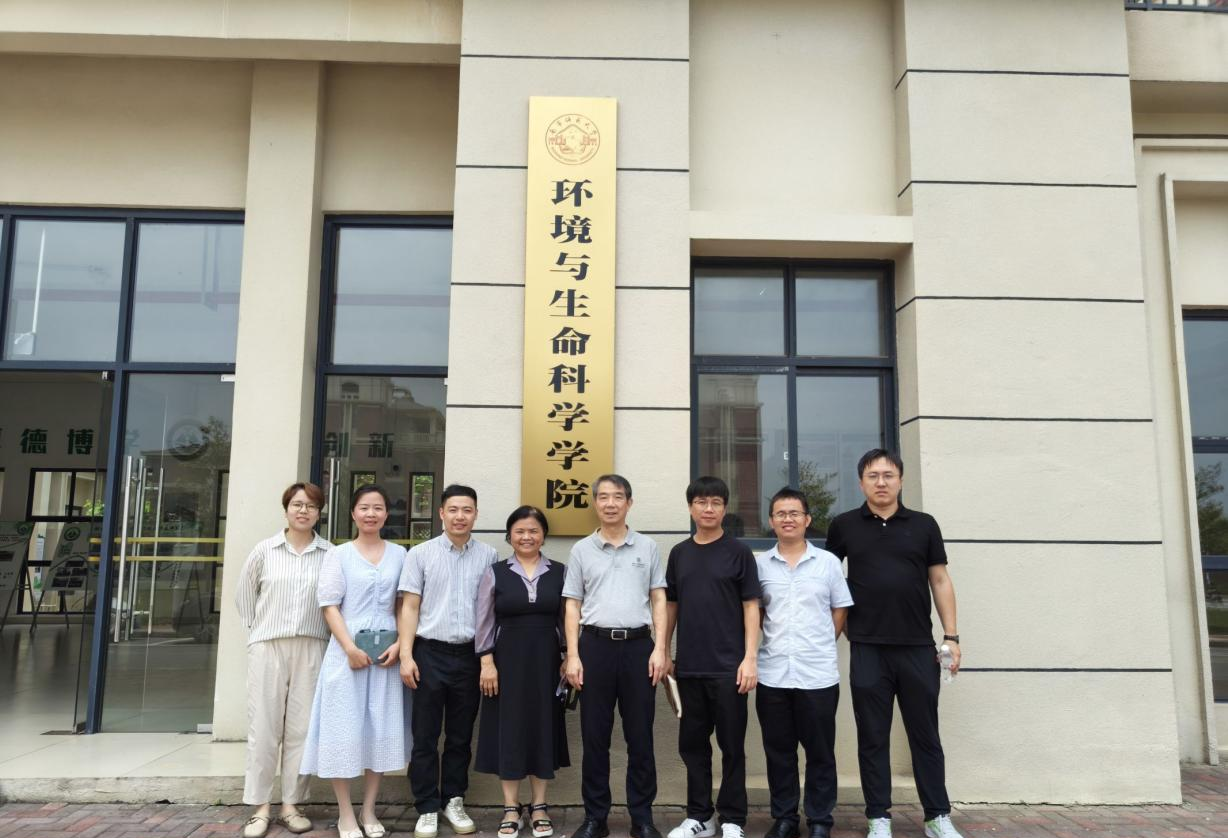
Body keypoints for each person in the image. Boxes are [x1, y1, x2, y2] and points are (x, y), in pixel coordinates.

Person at [825, 450, 962, 839]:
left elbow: (940, 579)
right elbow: (827, 581)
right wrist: (839, 629)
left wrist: (951, 636)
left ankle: (937, 816)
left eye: (888, 475)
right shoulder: (844, 525)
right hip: (867, 647)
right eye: (873, 476)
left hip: (917, 647)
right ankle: (878, 817)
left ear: (901, 480)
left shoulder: (923, 525)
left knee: (925, 735)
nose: (881, 482)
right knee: (872, 737)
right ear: (861, 483)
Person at [300, 483, 412, 839]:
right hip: (346, 655)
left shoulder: (400, 554)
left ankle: (369, 809)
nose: (371, 514)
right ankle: (346, 813)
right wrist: (349, 647)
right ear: (353, 513)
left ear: (386, 514)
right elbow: (329, 606)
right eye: (364, 508)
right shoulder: (339, 555)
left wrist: (400, 644)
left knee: (379, 730)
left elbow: (405, 605)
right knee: (342, 730)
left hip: (385, 656)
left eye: (378, 508)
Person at [562, 474, 669, 839]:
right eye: (604, 497)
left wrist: (660, 648)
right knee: (595, 737)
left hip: (639, 648)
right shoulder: (581, 550)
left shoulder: (647, 547)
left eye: (618, 497)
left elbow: (658, 598)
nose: (610, 503)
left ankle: (642, 817)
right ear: (595, 503)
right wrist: (573, 655)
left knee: (640, 737)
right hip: (594, 648)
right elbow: (572, 605)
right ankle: (596, 817)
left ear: (629, 503)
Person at [235, 482, 335, 839]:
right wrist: (261, 630)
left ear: (319, 512)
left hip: (312, 646)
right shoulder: (264, 550)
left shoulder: (330, 554)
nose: (303, 511)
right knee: (263, 727)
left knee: (301, 730)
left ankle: (292, 804)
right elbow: (244, 597)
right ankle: (260, 806)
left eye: (310, 506)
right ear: (286, 509)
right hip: (268, 646)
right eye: (297, 504)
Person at [398, 484, 498, 839]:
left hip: (470, 655)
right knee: (424, 735)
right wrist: (406, 655)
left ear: (476, 514)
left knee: (460, 735)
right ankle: (426, 806)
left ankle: (454, 799)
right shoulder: (421, 554)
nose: (460, 516)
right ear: (441, 513)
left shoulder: (488, 555)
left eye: (467, 510)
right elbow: (409, 606)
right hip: (429, 653)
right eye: (453, 509)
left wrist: (486, 659)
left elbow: (489, 611)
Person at [663, 476, 761, 839]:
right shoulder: (679, 553)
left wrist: (750, 658)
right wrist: (664, 650)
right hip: (689, 667)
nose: (708, 508)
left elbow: (751, 606)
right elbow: (671, 605)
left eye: (716, 502)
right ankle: (700, 817)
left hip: (729, 668)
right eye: (701, 502)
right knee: (693, 747)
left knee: (732, 746)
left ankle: (732, 818)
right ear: (691, 508)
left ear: (724, 507)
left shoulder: (739, 552)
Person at [756, 487, 853, 839]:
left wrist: (823, 642)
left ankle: (819, 819)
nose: (788, 519)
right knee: (779, 751)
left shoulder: (827, 563)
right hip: (773, 674)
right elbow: (757, 613)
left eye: (794, 513)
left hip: (818, 675)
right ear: (771, 521)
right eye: (781, 514)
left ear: (808, 519)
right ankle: (784, 817)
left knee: (820, 752)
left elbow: (839, 608)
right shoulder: (760, 565)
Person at [474, 506, 570, 838]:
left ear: (543, 535)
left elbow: (566, 620)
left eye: (533, 531)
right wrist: (487, 662)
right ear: (509, 536)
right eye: (519, 531)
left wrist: (568, 656)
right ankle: (510, 807)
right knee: (510, 729)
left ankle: (539, 806)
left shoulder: (560, 572)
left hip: (547, 662)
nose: (526, 537)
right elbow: (484, 621)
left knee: (542, 727)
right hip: (506, 663)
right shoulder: (495, 572)